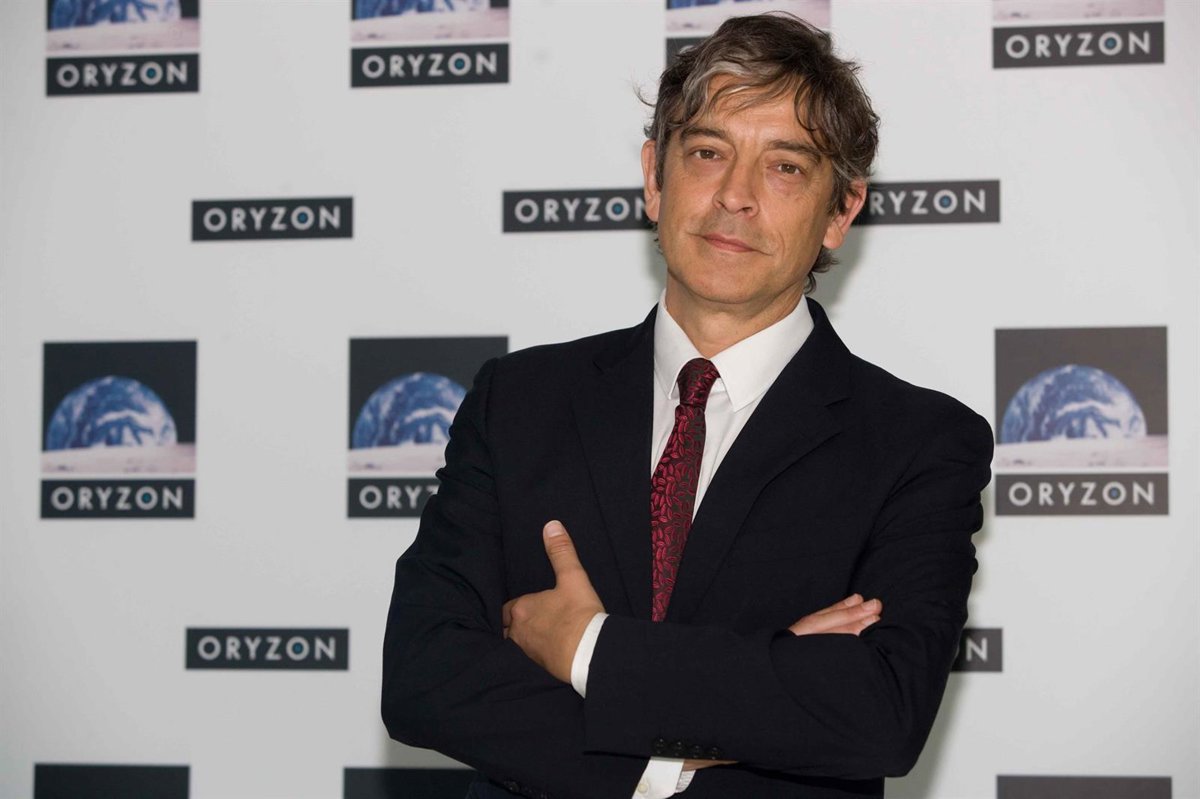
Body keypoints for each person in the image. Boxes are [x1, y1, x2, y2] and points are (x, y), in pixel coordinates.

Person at [382, 13, 993, 799]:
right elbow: (425, 675)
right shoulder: (519, 401)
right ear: (654, 176)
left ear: (841, 212)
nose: (735, 195)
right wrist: (718, 719)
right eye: (707, 152)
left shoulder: (919, 443)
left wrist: (588, 648)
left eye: (785, 167)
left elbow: (878, 711)